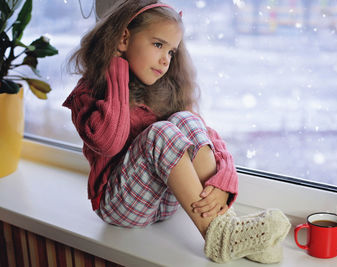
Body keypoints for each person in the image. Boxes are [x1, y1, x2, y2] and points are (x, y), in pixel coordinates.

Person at [63, 0, 290, 263]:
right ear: (123, 38)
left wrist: (223, 182)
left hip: (167, 203)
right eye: (158, 45)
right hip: (119, 205)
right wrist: (116, 69)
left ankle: (227, 227)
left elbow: (208, 138)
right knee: (160, 134)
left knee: (186, 120)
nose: (165, 60)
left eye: (171, 52)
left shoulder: (165, 89)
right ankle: (221, 235)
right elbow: (108, 143)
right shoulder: (87, 93)